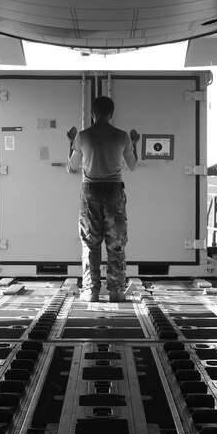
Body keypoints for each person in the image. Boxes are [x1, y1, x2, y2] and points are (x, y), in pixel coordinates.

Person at [66, 96, 139, 303]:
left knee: (90, 243)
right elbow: (132, 165)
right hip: (114, 191)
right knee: (116, 243)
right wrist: (134, 144)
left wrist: (71, 143)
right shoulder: (122, 136)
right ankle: (116, 291)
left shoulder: (82, 136)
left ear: (92, 114)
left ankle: (91, 291)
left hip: (91, 191)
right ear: (111, 114)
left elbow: (72, 166)